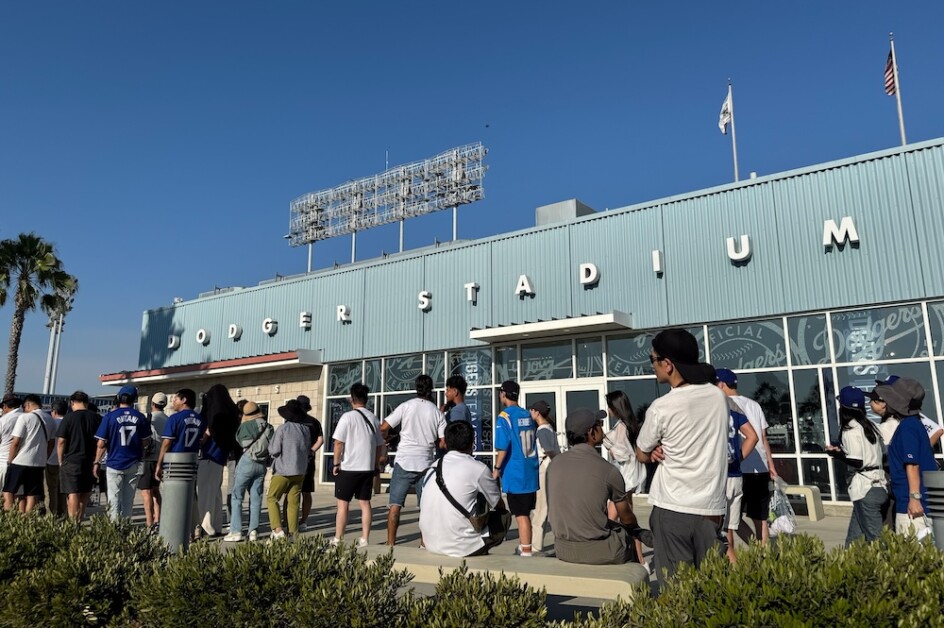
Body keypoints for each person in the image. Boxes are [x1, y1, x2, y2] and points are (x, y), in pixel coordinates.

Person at [636, 329, 728, 582]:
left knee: (677, 593)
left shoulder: (662, 407)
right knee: (712, 589)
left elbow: (641, 453)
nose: (652, 366)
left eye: (653, 360)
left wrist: (653, 451)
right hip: (712, 508)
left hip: (673, 507)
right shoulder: (718, 397)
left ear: (667, 364)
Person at [547, 408, 642, 565]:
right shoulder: (608, 470)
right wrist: (637, 530)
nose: (602, 429)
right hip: (596, 550)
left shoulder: (554, 465)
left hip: (562, 548)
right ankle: (637, 578)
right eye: (600, 424)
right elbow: (626, 517)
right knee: (629, 536)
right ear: (591, 432)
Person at [419, 420, 504, 557]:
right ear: (472, 443)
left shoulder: (432, 467)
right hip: (463, 547)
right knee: (504, 517)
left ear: (445, 443)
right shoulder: (478, 468)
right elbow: (497, 503)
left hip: (430, 543)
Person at [380, 374, 446, 546]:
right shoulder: (436, 412)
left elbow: (384, 427)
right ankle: (424, 543)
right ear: (430, 390)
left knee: (395, 505)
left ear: (416, 388)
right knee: (425, 507)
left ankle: (390, 543)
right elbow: (443, 441)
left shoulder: (406, 406)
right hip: (426, 462)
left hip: (404, 460)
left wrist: (386, 439)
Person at [715, 368, 778, 544]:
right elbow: (763, 438)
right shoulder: (754, 404)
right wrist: (771, 466)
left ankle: (749, 549)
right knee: (760, 518)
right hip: (760, 470)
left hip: (738, 469)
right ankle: (762, 554)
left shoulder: (724, 405)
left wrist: (737, 458)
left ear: (721, 384)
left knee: (730, 520)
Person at [707, 365, 759, 563]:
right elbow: (752, 436)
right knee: (728, 530)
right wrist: (738, 457)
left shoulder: (711, 406)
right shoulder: (734, 406)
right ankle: (734, 570)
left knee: (711, 529)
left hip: (717, 476)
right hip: (735, 474)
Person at [826, 386, 888, 546]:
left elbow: (857, 461)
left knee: (876, 539)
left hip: (865, 489)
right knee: (854, 540)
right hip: (879, 484)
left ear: (843, 408)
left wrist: (836, 454)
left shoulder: (850, 430)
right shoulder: (871, 426)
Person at [877, 377, 937, 539]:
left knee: (912, 557)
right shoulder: (915, 423)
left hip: (911, 506)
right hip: (919, 502)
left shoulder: (907, 428)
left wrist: (914, 498)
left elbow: (912, 465)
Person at [330, 383, 384, 546]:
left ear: (352, 399)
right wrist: (375, 465)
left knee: (343, 504)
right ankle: (365, 538)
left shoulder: (347, 417)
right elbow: (379, 445)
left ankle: (338, 538)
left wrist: (336, 463)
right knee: (365, 503)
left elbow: (338, 443)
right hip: (366, 468)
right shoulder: (373, 418)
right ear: (366, 399)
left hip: (348, 467)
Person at [602, 390, 648, 566]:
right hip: (631, 479)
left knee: (610, 520)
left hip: (623, 480)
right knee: (629, 521)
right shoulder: (632, 425)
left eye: (610, 406)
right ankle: (639, 559)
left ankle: (612, 554)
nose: (608, 409)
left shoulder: (622, 427)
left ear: (616, 407)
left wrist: (609, 446)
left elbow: (622, 454)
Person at [494, 380, 539, 557]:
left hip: (516, 473)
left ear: (503, 394)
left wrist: (496, 468)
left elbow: (503, 447)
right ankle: (524, 546)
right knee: (525, 513)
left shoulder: (504, 416)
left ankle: (526, 550)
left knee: (521, 516)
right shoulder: (527, 414)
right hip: (530, 470)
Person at [93, 386, 151, 520]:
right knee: (128, 500)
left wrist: (96, 461)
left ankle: (114, 531)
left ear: (119, 398)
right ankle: (125, 529)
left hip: (114, 462)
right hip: (134, 462)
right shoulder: (140, 417)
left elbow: (101, 444)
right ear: (134, 399)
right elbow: (145, 441)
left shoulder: (110, 417)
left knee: (113, 499)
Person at [195, 384, 240, 538]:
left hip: (207, 456)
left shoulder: (209, 415)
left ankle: (205, 522)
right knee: (215, 492)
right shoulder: (231, 414)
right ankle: (217, 523)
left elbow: (202, 437)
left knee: (204, 492)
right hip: (221, 456)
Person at [224, 401, 272, 542]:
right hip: (261, 464)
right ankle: (253, 531)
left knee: (237, 496)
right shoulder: (269, 427)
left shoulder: (244, 426)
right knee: (256, 498)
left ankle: (236, 530)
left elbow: (239, 441)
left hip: (247, 461)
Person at [266, 400, 312, 540]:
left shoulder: (283, 429)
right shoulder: (305, 430)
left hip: (283, 470)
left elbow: (274, 450)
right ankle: (293, 533)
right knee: (293, 503)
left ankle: (277, 529)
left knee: (272, 498)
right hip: (300, 470)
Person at [3, 394, 55, 512]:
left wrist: (10, 460)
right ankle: (28, 518)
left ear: (27, 405)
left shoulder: (25, 418)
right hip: (38, 463)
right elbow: (51, 443)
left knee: (8, 490)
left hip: (20, 461)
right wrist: (44, 457)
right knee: (32, 493)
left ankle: (9, 516)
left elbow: (16, 442)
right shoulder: (50, 420)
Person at [57, 391, 101, 520]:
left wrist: (60, 460)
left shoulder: (69, 418)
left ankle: (73, 523)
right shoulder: (97, 418)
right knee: (85, 493)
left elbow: (61, 441)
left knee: (73, 493)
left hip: (71, 460)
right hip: (90, 460)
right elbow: (102, 441)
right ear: (87, 403)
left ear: (72, 403)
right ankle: (80, 518)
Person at [529, 399, 559, 554]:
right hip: (547, 470)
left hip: (544, 471)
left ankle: (535, 545)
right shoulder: (548, 428)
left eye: (532, 410)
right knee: (541, 507)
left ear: (537, 412)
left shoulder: (542, 430)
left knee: (540, 508)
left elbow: (549, 450)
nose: (530, 413)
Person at [155, 389, 206, 478]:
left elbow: (167, 442)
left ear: (184, 400)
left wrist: (159, 463)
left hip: (175, 463)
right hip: (192, 462)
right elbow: (202, 440)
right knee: (190, 490)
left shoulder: (175, 418)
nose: (173, 401)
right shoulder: (201, 419)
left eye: (176, 398)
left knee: (173, 491)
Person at [140, 392, 169, 532]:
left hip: (147, 458)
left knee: (146, 492)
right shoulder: (168, 419)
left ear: (152, 404)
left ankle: (149, 522)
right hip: (161, 458)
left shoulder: (148, 418)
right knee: (156, 491)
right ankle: (159, 519)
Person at [295, 394, 324, 532]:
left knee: (291, 491)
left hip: (293, 460)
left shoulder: (292, 421)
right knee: (306, 492)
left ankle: (288, 519)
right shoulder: (314, 422)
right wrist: (311, 451)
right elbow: (321, 440)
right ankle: (303, 521)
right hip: (308, 460)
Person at [45, 399, 68, 517]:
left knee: (51, 491)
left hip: (50, 461)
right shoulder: (69, 423)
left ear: (54, 411)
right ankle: (63, 513)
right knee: (62, 491)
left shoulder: (51, 423)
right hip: (65, 461)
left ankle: (52, 515)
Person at [0, 395, 23, 491]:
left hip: (3, 461)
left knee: (4, 494)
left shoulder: (3, 420)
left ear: (5, 406)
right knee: (19, 496)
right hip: (22, 461)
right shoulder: (25, 417)